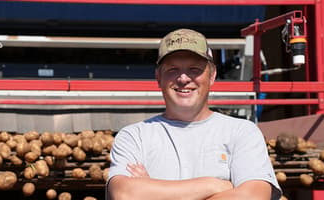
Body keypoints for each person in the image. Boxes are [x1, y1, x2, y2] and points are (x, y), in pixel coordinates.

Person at [107, 29, 281, 200]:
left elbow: (254, 196)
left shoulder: (242, 132)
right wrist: (214, 185)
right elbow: (124, 194)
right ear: (158, 77)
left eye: (194, 69)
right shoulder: (133, 137)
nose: (183, 78)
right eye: (173, 69)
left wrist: (154, 191)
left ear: (212, 76)